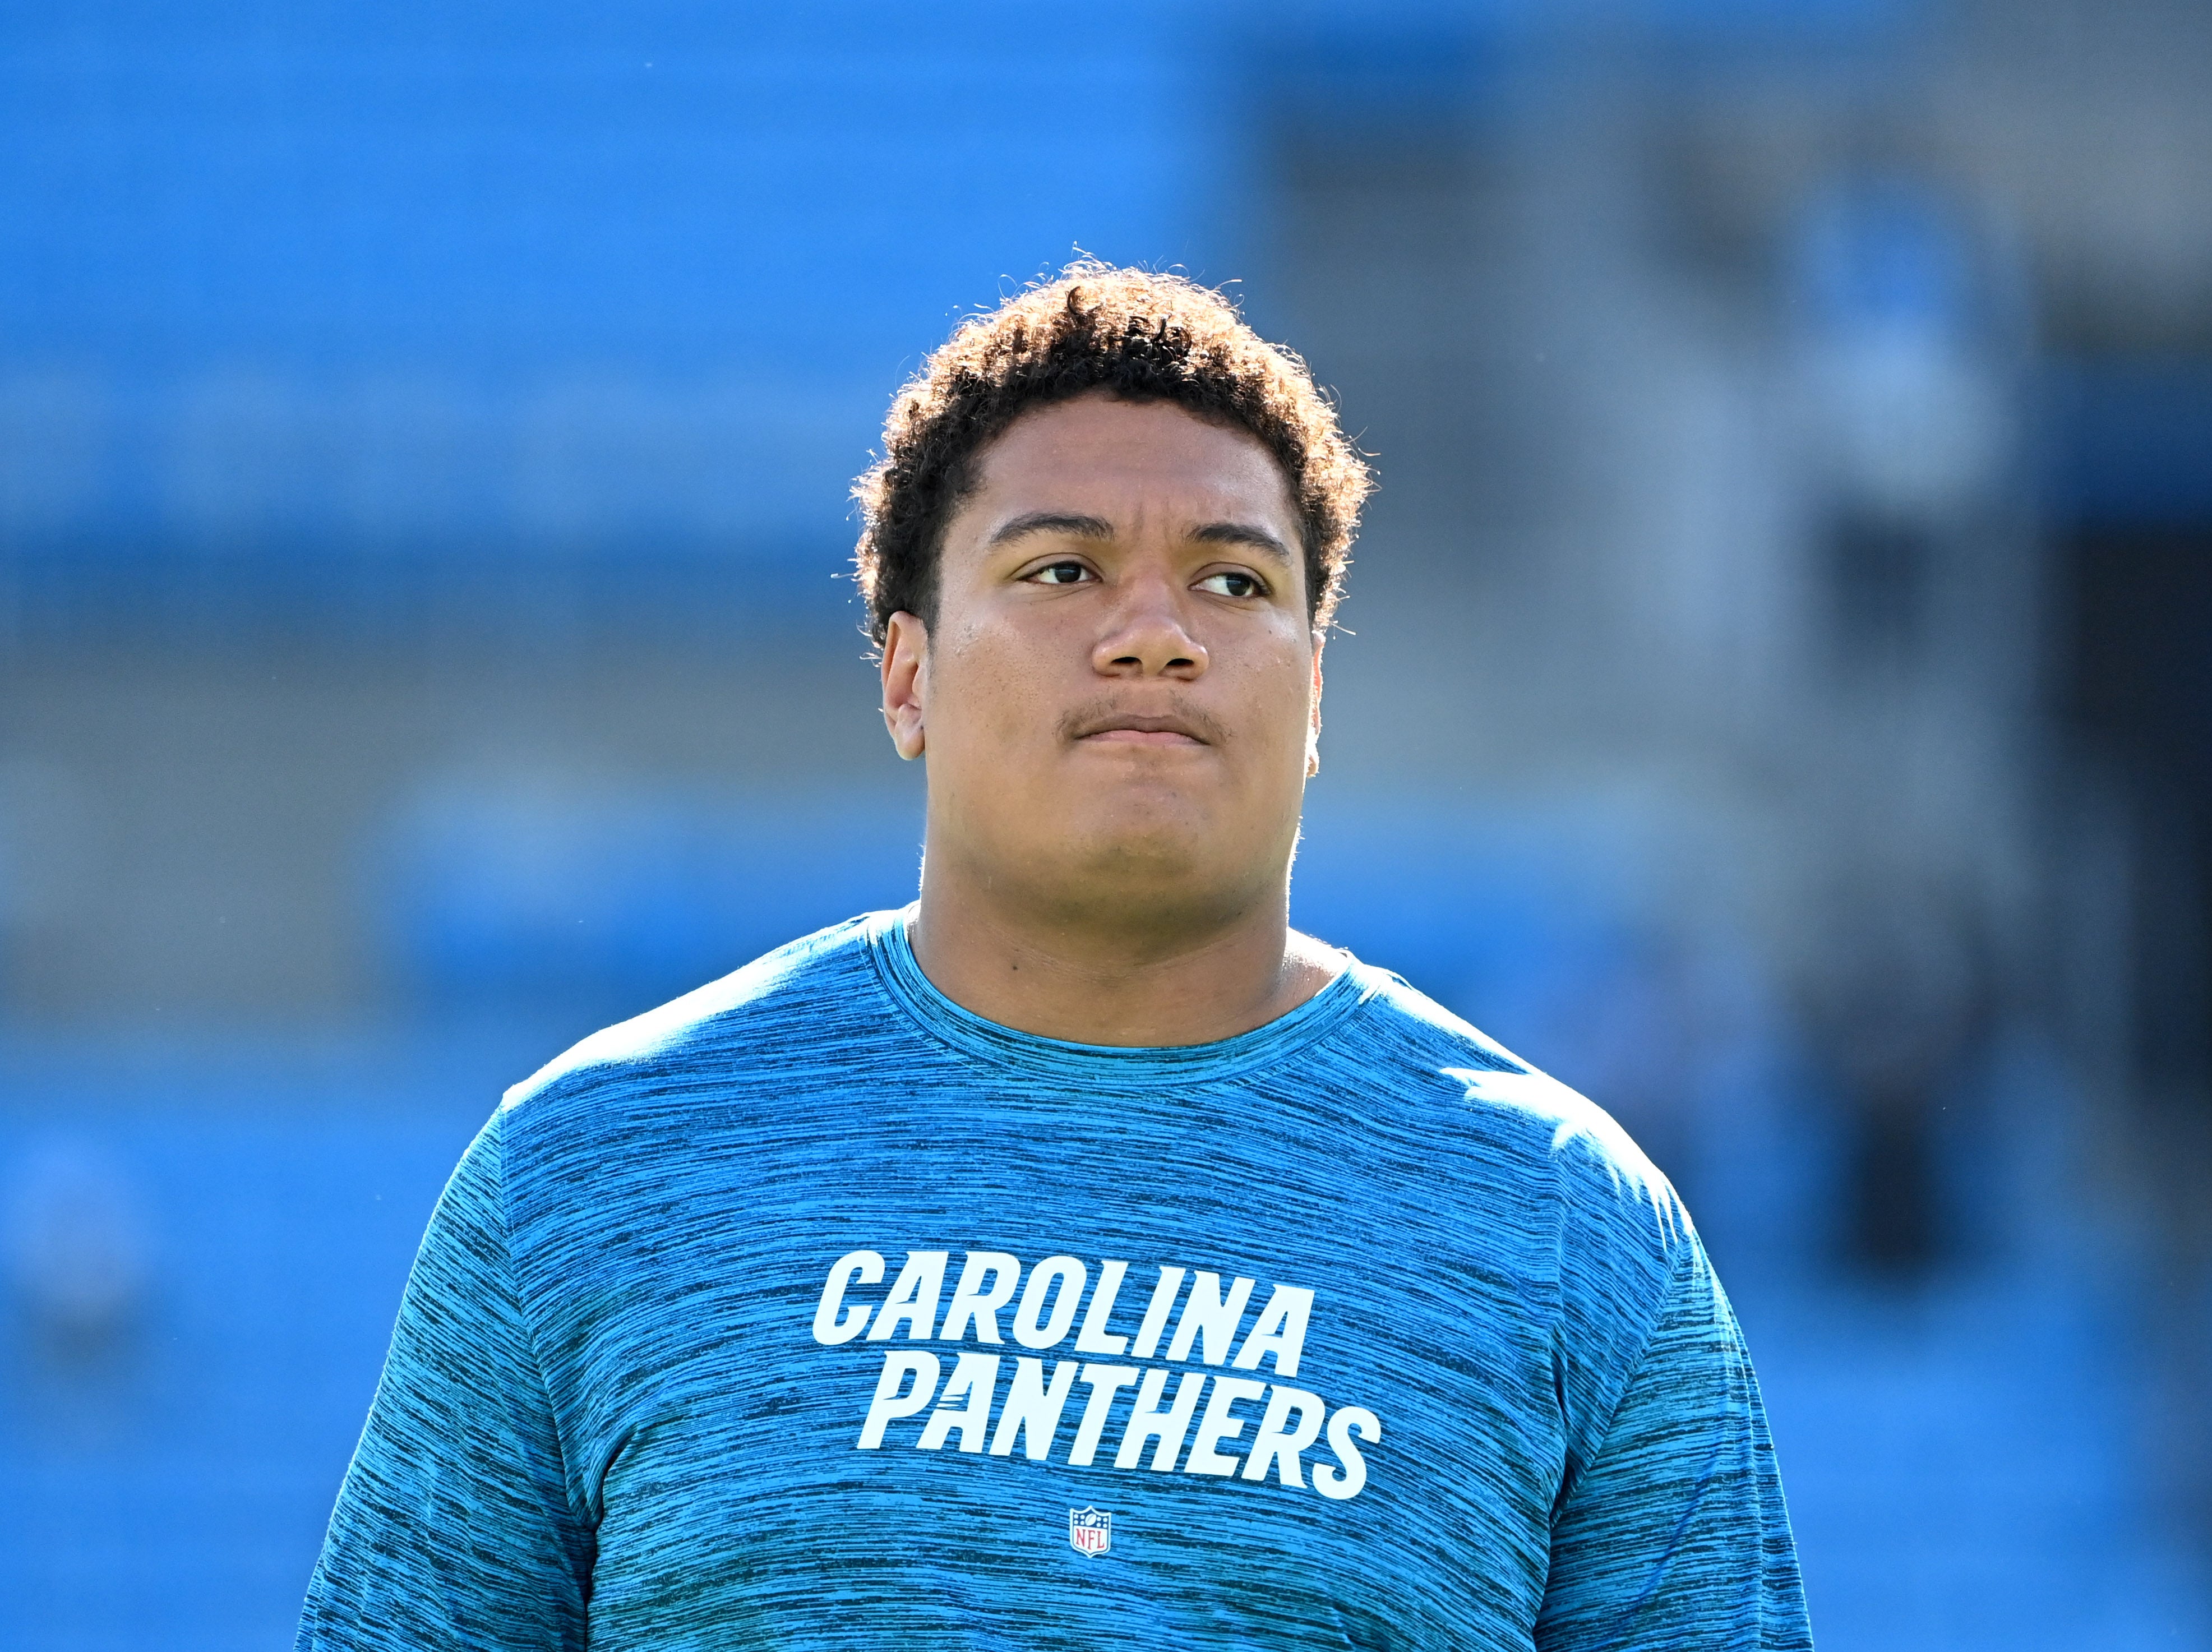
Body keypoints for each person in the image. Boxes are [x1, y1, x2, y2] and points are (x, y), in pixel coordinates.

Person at [296, 264, 1810, 1650]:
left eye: (1235, 581)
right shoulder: (588, 1170)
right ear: (907, 673)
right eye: (1060, 569)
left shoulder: (1569, 1224)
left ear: (1315, 691)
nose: (1155, 632)